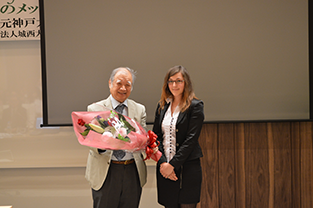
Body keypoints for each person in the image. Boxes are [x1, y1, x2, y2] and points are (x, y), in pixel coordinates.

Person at [85, 67, 147, 208]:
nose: (123, 88)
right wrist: (105, 144)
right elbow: (90, 140)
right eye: (119, 83)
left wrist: (139, 141)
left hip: (132, 171)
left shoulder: (139, 109)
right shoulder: (95, 109)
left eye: (128, 85)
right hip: (106, 172)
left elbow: (144, 139)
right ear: (110, 83)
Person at [152, 65, 204, 208]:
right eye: (171, 81)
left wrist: (172, 165)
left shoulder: (195, 106)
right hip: (164, 169)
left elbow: (191, 140)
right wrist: (163, 163)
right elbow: (156, 136)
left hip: (188, 169)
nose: (174, 85)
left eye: (179, 81)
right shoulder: (162, 106)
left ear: (186, 83)